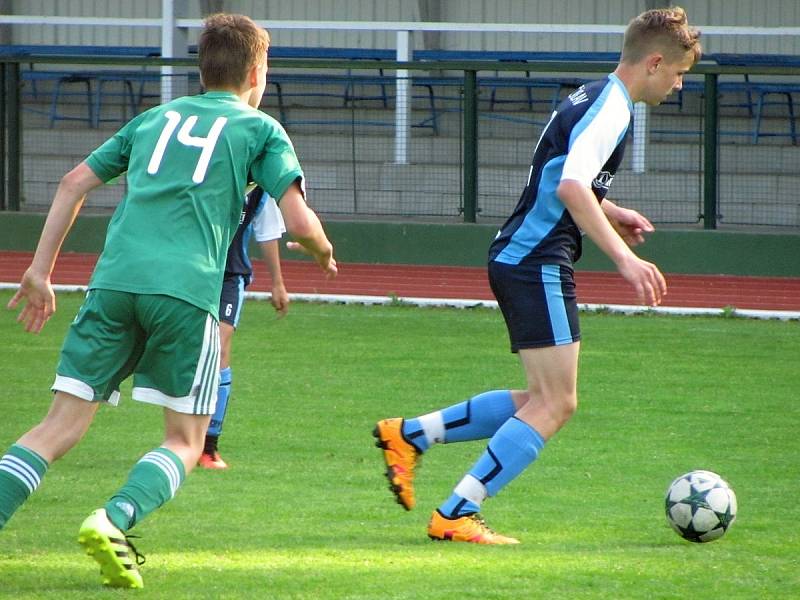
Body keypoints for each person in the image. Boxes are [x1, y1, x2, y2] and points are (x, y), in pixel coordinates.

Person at [1, 13, 336, 588]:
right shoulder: (260, 128)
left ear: (203, 68)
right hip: (186, 294)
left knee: (55, 428)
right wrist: (323, 251)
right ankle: (114, 519)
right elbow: (300, 221)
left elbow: (72, 182)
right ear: (257, 71)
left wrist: (39, 271)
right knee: (186, 440)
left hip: (112, 285)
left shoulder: (153, 118)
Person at [374, 6, 700, 544]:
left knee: (537, 399)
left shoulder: (593, 94)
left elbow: (562, 174)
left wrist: (612, 210)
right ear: (655, 62)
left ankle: (410, 435)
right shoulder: (611, 109)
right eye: (678, 73)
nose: (680, 85)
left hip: (524, 255)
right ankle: (456, 511)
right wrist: (625, 258)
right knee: (557, 402)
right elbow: (571, 188)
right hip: (536, 259)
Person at [199, 185, 289, 470]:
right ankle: (183, 436)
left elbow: (268, 233)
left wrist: (277, 283)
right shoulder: (208, 169)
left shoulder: (262, 188)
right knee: (191, 350)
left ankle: (208, 447)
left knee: (220, 348)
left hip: (230, 276)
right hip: (193, 271)